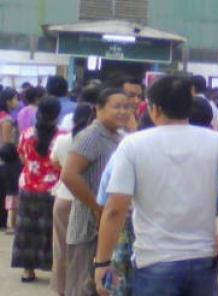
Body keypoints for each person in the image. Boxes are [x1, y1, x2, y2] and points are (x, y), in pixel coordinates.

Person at [94, 75, 218, 296]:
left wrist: (101, 262)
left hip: (155, 260)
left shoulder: (133, 145)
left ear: (155, 109)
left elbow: (115, 209)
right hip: (203, 258)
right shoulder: (214, 140)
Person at [61, 88, 130, 296]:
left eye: (126, 107)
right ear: (98, 109)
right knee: (83, 285)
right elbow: (69, 175)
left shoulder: (117, 136)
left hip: (109, 223)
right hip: (89, 225)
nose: (123, 111)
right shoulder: (91, 136)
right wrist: (97, 207)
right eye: (116, 106)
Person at [12, 96, 63, 282]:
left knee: (27, 230)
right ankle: (55, 270)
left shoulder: (26, 134)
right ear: (57, 115)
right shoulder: (62, 137)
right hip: (53, 190)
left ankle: (28, 271)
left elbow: (23, 159)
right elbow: (63, 164)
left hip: (28, 187)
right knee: (52, 231)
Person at [50, 103, 96, 294]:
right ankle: (80, 289)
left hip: (63, 198)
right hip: (87, 199)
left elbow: (54, 161)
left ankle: (61, 289)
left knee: (61, 249)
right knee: (84, 251)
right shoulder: (95, 142)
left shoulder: (63, 140)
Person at [1, 87, 21, 232]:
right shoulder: (6, 119)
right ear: (8, 101)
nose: (18, 101)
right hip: (4, 159)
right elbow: (7, 142)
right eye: (15, 98)